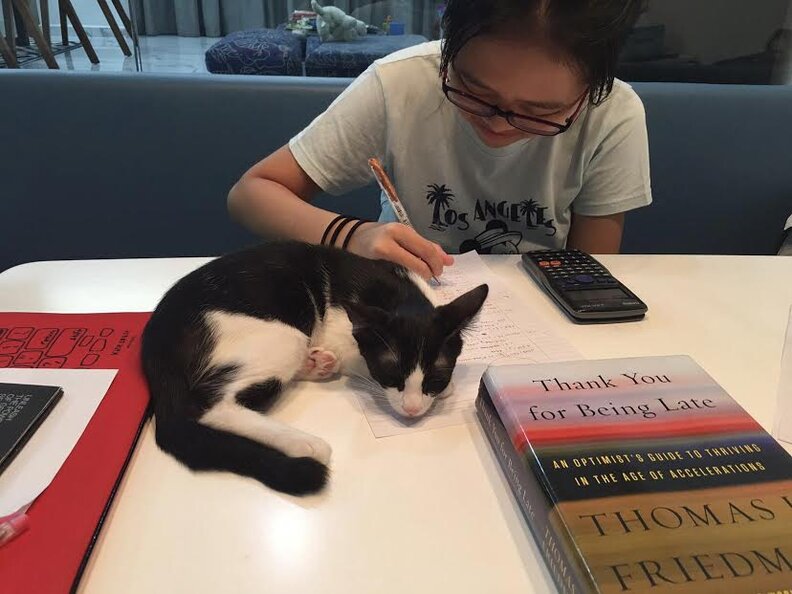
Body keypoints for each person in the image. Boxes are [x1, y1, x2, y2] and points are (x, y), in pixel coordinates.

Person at [228, 0, 652, 280]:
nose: (501, 126)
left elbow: (588, 272)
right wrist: (352, 236)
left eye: (540, 112)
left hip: (539, 317)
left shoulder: (613, 113)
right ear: (449, 51)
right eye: (473, 90)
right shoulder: (402, 84)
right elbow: (251, 194)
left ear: (591, 89)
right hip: (406, 304)